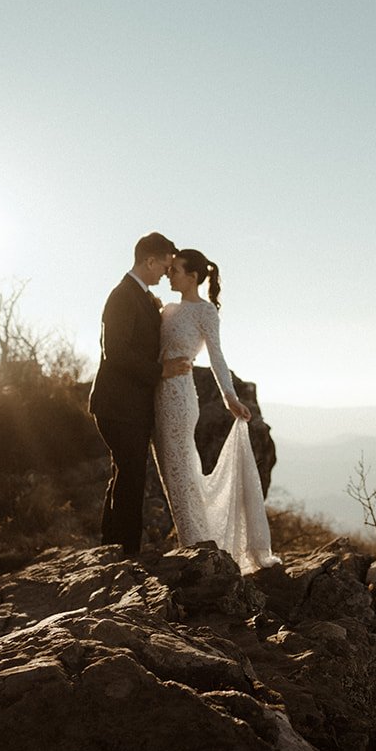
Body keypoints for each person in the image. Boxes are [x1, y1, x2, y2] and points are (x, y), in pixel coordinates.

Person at [154, 248, 280, 572]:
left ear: (192, 277)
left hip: (181, 396)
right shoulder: (166, 309)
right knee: (172, 473)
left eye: (176, 270)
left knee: (182, 471)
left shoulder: (205, 312)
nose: (169, 273)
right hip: (158, 392)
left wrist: (230, 398)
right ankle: (192, 543)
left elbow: (217, 357)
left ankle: (196, 547)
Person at [88, 231, 190, 554]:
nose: (167, 271)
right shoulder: (122, 296)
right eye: (165, 264)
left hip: (128, 406)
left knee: (126, 475)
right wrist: (161, 371)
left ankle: (113, 549)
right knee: (131, 477)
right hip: (118, 406)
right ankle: (126, 553)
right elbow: (114, 352)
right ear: (149, 261)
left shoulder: (141, 295)